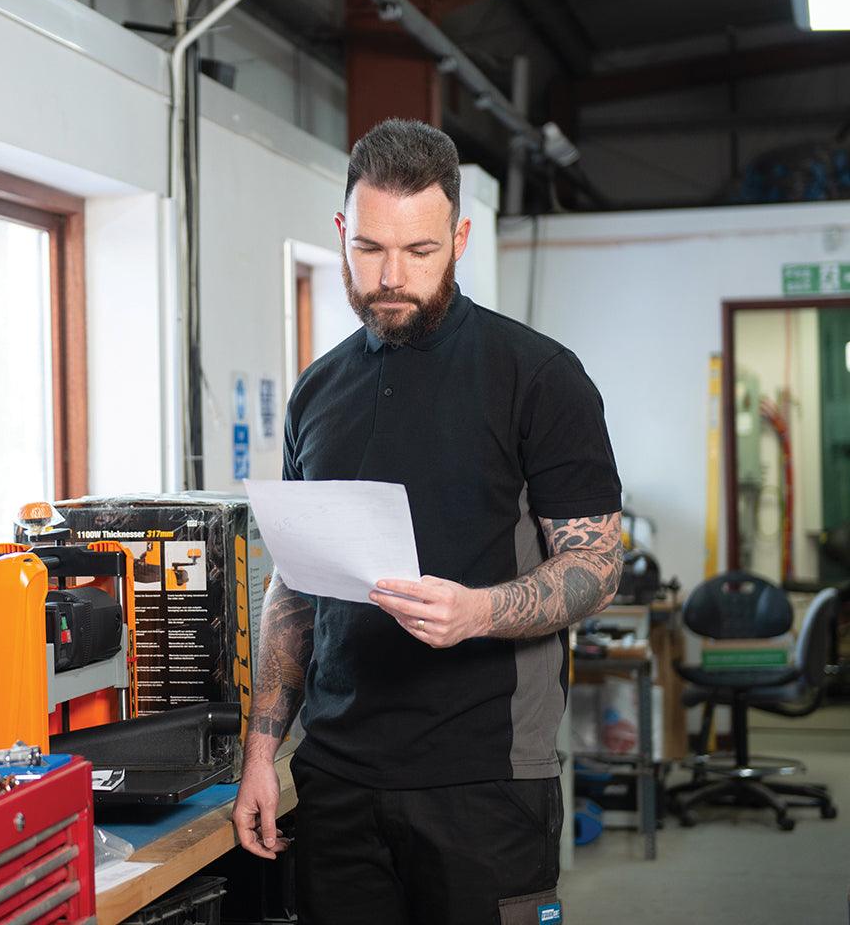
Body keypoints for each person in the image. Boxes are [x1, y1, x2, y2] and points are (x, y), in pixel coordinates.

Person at [232, 118, 623, 925]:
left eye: (420, 252)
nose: (391, 278)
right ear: (343, 232)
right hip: (338, 775)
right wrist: (262, 753)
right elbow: (294, 591)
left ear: (460, 237)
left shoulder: (539, 377)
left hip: (483, 778)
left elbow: (597, 566)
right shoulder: (317, 393)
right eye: (370, 249)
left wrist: (479, 611)